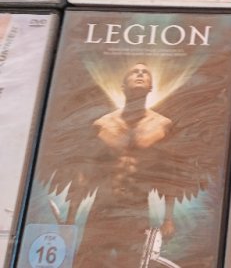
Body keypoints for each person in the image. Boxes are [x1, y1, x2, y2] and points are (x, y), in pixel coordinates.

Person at [71, 64, 175, 268]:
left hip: (137, 211)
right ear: (123, 85)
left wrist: (168, 218)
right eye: (134, 72)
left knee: (130, 263)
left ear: (151, 87)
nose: (140, 74)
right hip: (102, 208)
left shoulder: (163, 125)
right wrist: (70, 218)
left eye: (145, 72)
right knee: (87, 263)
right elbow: (84, 172)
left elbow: (170, 173)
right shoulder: (102, 125)